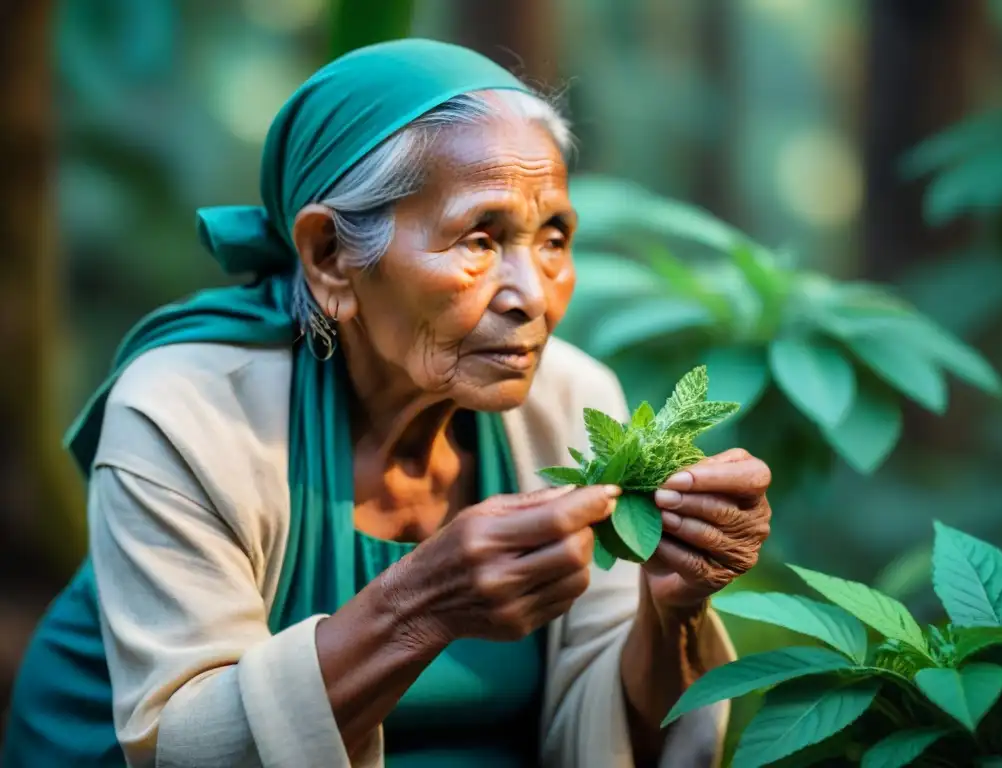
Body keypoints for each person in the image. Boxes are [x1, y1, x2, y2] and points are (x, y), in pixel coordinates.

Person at [2, 39, 772, 768]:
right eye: (479, 238)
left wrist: (671, 612)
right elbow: (188, 744)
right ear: (331, 258)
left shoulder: (570, 399)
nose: (533, 296)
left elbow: (610, 742)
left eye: (554, 237)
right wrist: (419, 606)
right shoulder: (188, 411)